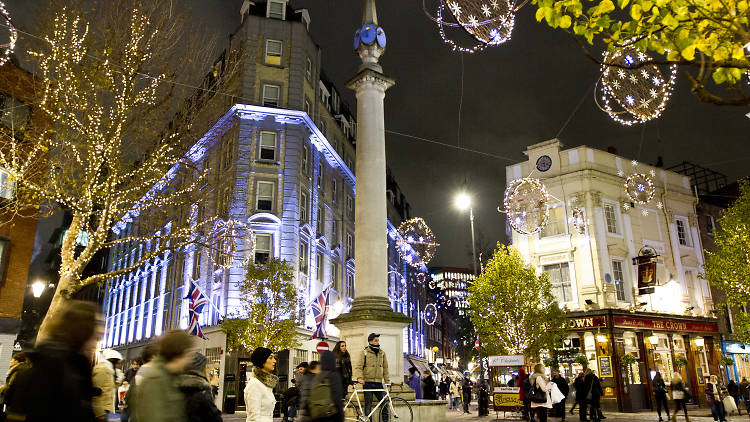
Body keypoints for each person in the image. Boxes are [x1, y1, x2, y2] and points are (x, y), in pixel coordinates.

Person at [4, 300, 102, 422]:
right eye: (96, 324)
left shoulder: (74, 370)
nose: (101, 331)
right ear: (82, 330)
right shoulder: (60, 375)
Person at [133, 330, 194, 422]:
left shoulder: (170, 376)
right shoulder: (155, 379)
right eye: (188, 352)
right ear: (179, 353)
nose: (190, 358)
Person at [355, 333, 390, 422]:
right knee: (368, 405)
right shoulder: (365, 352)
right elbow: (359, 367)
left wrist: (387, 380)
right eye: (375, 340)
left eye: (378, 340)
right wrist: (359, 377)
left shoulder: (382, 353)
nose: (378, 342)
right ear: (370, 341)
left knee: (385, 403)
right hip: (368, 383)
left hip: (378, 383)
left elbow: (385, 368)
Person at [178, 352, 222, 422]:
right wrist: (213, 388)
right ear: (201, 370)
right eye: (207, 368)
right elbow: (215, 418)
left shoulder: (176, 387)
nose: (209, 372)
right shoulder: (202, 393)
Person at [244, 347, 278, 422]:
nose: (274, 361)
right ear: (261, 360)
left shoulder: (265, 384)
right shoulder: (255, 384)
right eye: (270, 358)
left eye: (274, 358)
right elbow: (254, 417)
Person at [309, 351, 344, 422]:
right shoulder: (334, 375)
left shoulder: (317, 376)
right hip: (331, 415)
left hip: (317, 415)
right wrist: (341, 415)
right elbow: (337, 397)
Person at [93, 348, 123, 420]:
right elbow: (95, 391)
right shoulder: (101, 369)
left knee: (117, 420)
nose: (118, 365)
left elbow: (110, 390)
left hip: (109, 408)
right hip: (102, 411)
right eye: (117, 363)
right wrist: (99, 412)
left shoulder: (110, 371)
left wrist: (118, 381)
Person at [0, 352, 30, 419]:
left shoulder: (17, 371)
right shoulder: (24, 370)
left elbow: (11, 387)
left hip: (13, 405)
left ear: (16, 361)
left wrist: (3, 390)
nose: (10, 361)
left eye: (12, 359)